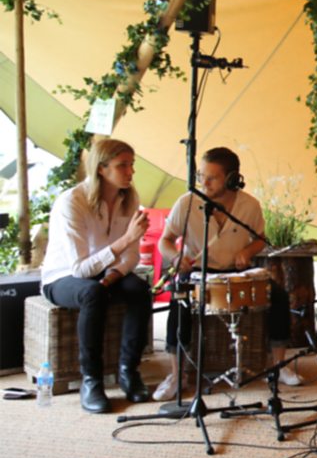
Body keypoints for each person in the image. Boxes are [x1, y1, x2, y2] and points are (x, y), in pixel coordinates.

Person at [154, 147, 301, 400]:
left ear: (232, 179)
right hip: (198, 271)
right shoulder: (187, 203)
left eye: (212, 178)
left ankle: (278, 365)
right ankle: (177, 375)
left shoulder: (249, 205)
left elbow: (260, 239)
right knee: (179, 301)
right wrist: (176, 258)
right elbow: (164, 240)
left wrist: (247, 251)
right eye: (201, 176)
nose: (204, 183)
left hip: (235, 271)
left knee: (278, 295)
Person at [41, 138, 154, 413]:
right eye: (122, 165)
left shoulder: (129, 199)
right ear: (101, 169)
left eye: (132, 164)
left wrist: (113, 275)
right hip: (62, 276)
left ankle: (128, 371)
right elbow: (80, 269)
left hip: (106, 271)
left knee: (140, 289)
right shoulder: (72, 202)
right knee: (92, 293)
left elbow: (131, 255)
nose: (131, 171)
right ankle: (91, 380)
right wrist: (126, 239)